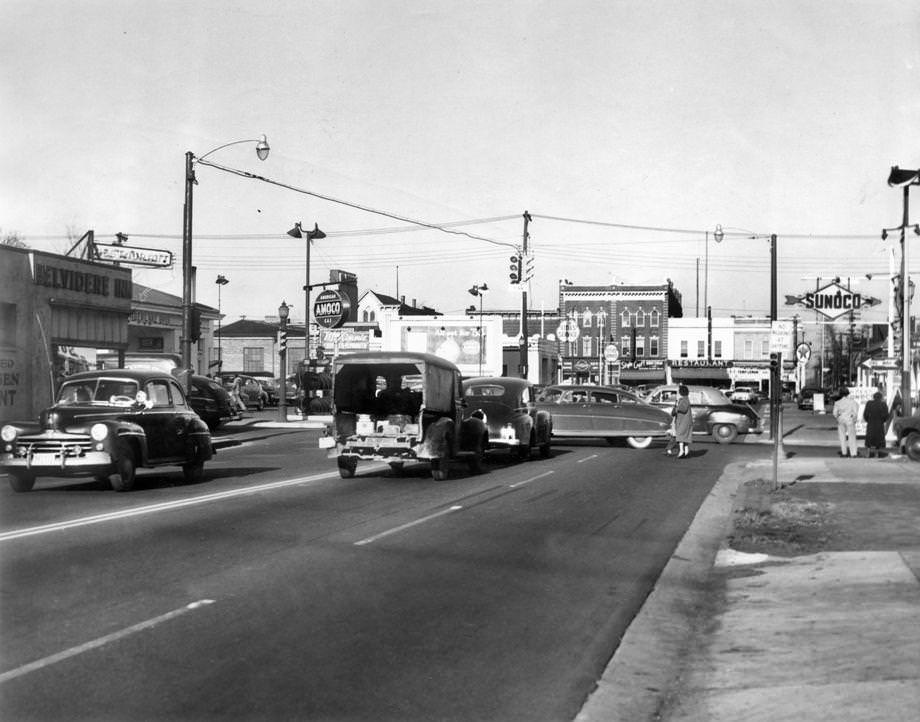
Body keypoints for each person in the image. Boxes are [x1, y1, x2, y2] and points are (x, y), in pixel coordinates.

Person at [832, 387, 859, 458]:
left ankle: (844, 452)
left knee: (842, 437)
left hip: (841, 420)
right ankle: (853, 453)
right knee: (852, 437)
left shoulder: (837, 403)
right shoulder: (853, 402)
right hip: (850, 420)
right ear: (848, 394)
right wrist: (854, 419)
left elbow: (834, 413)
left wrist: (838, 417)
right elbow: (855, 412)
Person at [862, 391, 890, 458]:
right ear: (881, 397)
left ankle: (868, 453)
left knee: (869, 438)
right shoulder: (883, 404)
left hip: (871, 424)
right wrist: (882, 421)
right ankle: (876, 454)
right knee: (878, 439)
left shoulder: (869, 403)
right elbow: (886, 415)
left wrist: (868, 420)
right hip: (879, 424)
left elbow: (865, 414)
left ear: (873, 397)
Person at [672, 384, 693, 458]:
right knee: (685, 436)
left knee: (680, 435)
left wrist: (677, 407)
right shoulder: (686, 399)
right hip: (685, 421)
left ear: (681, 392)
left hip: (684, 422)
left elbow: (683, 409)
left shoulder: (683, 400)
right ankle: (686, 451)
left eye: (678, 392)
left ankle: (681, 451)